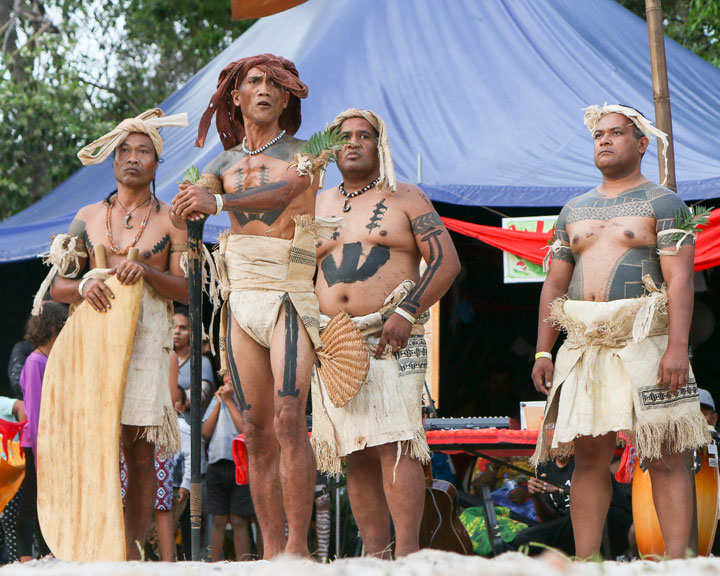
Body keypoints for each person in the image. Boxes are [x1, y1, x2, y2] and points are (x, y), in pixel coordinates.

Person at [530, 104, 709, 559]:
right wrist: (542, 352)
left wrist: (677, 349)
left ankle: (677, 563)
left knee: (666, 454)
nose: (604, 140)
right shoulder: (573, 209)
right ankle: (587, 561)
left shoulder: (664, 202)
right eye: (598, 135)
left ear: (642, 143)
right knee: (590, 458)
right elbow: (554, 283)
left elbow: (681, 280)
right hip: (585, 344)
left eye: (616, 133)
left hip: (648, 341)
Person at [171, 54, 326, 558]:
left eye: (273, 84)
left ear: (286, 97)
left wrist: (212, 203)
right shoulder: (219, 163)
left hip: (288, 291)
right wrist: (185, 214)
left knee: (287, 415)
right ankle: (271, 552)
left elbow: (285, 192)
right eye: (253, 82)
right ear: (235, 98)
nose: (263, 89)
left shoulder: (311, 149)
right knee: (256, 430)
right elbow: (191, 205)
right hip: (241, 298)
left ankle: (299, 549)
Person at [310, 108, 460, 557]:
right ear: (332, 148)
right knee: (354, 451)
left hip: (392, 334)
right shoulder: (315, 204)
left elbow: (446, 262)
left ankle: (408, 556)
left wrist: (409, 310)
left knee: (397, 442)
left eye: (364, 136)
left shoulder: (407, 197)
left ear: (380, 145)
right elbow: (299, 270)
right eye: (344, 137)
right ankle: (375, 558)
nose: (353, 143)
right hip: (333, 340)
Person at [46, 108, 189, 560]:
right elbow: (55, 287)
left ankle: (127, 550)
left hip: (148, 340)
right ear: (113, 160)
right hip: (93, 341)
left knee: (139, 449)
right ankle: (89, 542)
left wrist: (145, 269)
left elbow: (186, 288)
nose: (132, 158)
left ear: (155, 163)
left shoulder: (172, 220)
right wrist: (87, 282)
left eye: (143, 151)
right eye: (124, 150)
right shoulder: (88, 216)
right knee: (92, 440)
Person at [17, 302, 68, 561]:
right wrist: (42, 456)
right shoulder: (36, 362)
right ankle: (27, 554)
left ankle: (46, 551)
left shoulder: (46, 360)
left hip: (46, 445)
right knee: (35, 498)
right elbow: (35, 415)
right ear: (53, 328)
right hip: (37, 446)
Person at [202, 374, 253, 561]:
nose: (227, 379)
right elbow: (205, 433)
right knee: (218, 518)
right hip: (216, 463)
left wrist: (230, 401)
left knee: (239, 518)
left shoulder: (243, 399)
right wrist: (218, 403)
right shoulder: (217, 400)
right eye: (225, 376)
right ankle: (214, 562)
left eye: (231, 375)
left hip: (239, 464)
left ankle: (244, 563)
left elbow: (244, 429)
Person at [173, 306, 216, 419]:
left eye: (182, 328)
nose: (177, 331)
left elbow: (199, 395)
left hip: (188, 426)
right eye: (173, 326)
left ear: (191, 332)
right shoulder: (160, 359)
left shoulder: (202, 362)